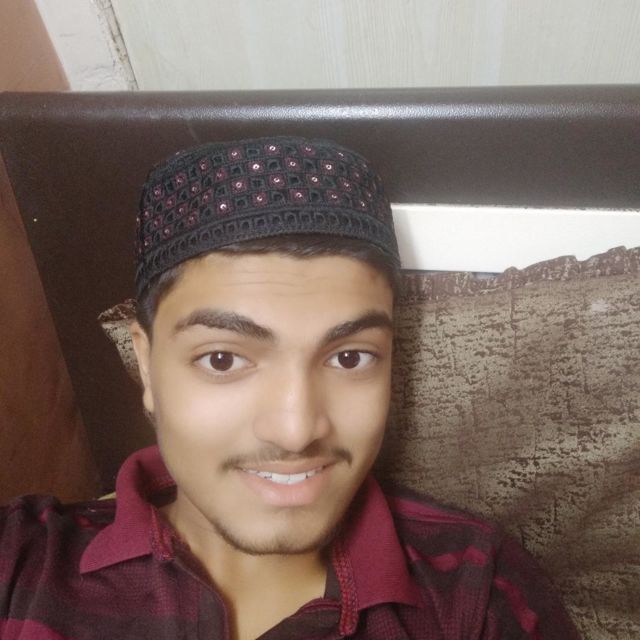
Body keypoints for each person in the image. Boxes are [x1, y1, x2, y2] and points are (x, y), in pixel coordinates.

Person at [0, 137, 580, 639]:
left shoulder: (476, 589)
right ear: (147, 366)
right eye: (223, 359)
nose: (297, 430)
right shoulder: (20, 560)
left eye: (349, 357)